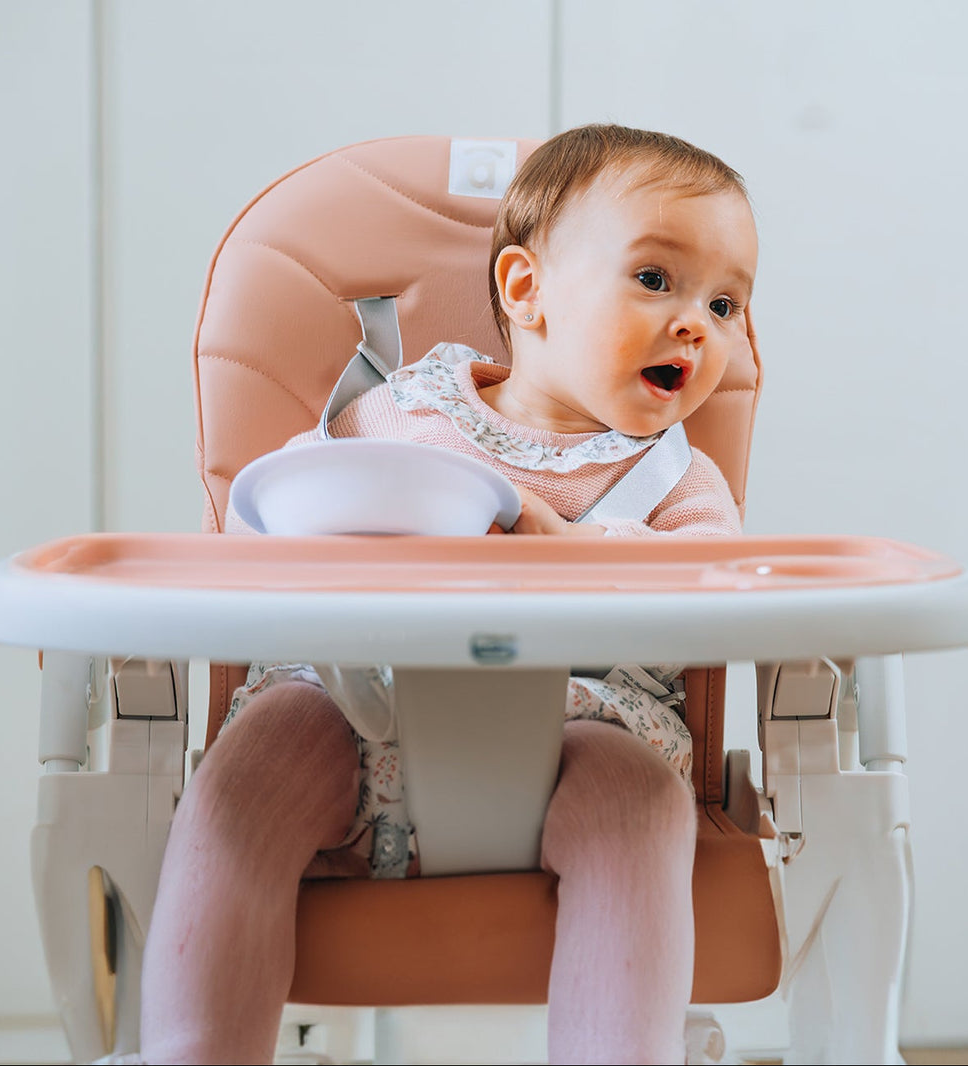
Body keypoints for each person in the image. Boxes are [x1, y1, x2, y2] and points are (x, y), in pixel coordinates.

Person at [134, 124, 758, 1065]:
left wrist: (584, 549)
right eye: (656, 280)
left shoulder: (678, 479)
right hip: (351, 703)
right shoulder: (407, 409)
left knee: (637, 802)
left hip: (575, 735)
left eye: (725, 303)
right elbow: (292, 498)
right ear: (524, 288)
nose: (695, 325)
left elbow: (718, 586)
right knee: (249, 769)